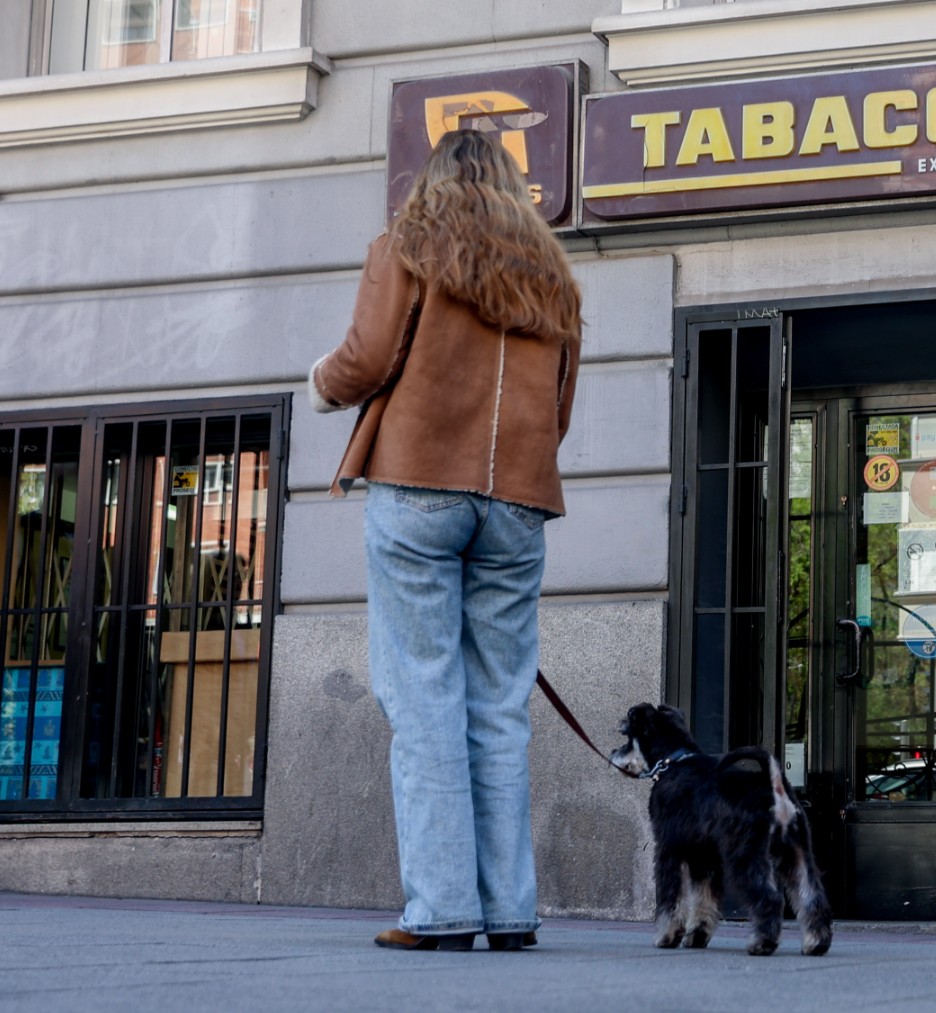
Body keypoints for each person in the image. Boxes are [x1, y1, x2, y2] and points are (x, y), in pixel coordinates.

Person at [307, 128, 581, 952]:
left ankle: (442, 908)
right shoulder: (554, 276)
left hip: (420, 481)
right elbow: (560, 407)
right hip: (518, 500)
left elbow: (365, 357)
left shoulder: (408, 246)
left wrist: (319, 385)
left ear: (430, 180)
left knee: (423, 697)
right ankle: (510, 910)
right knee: (498, 706)